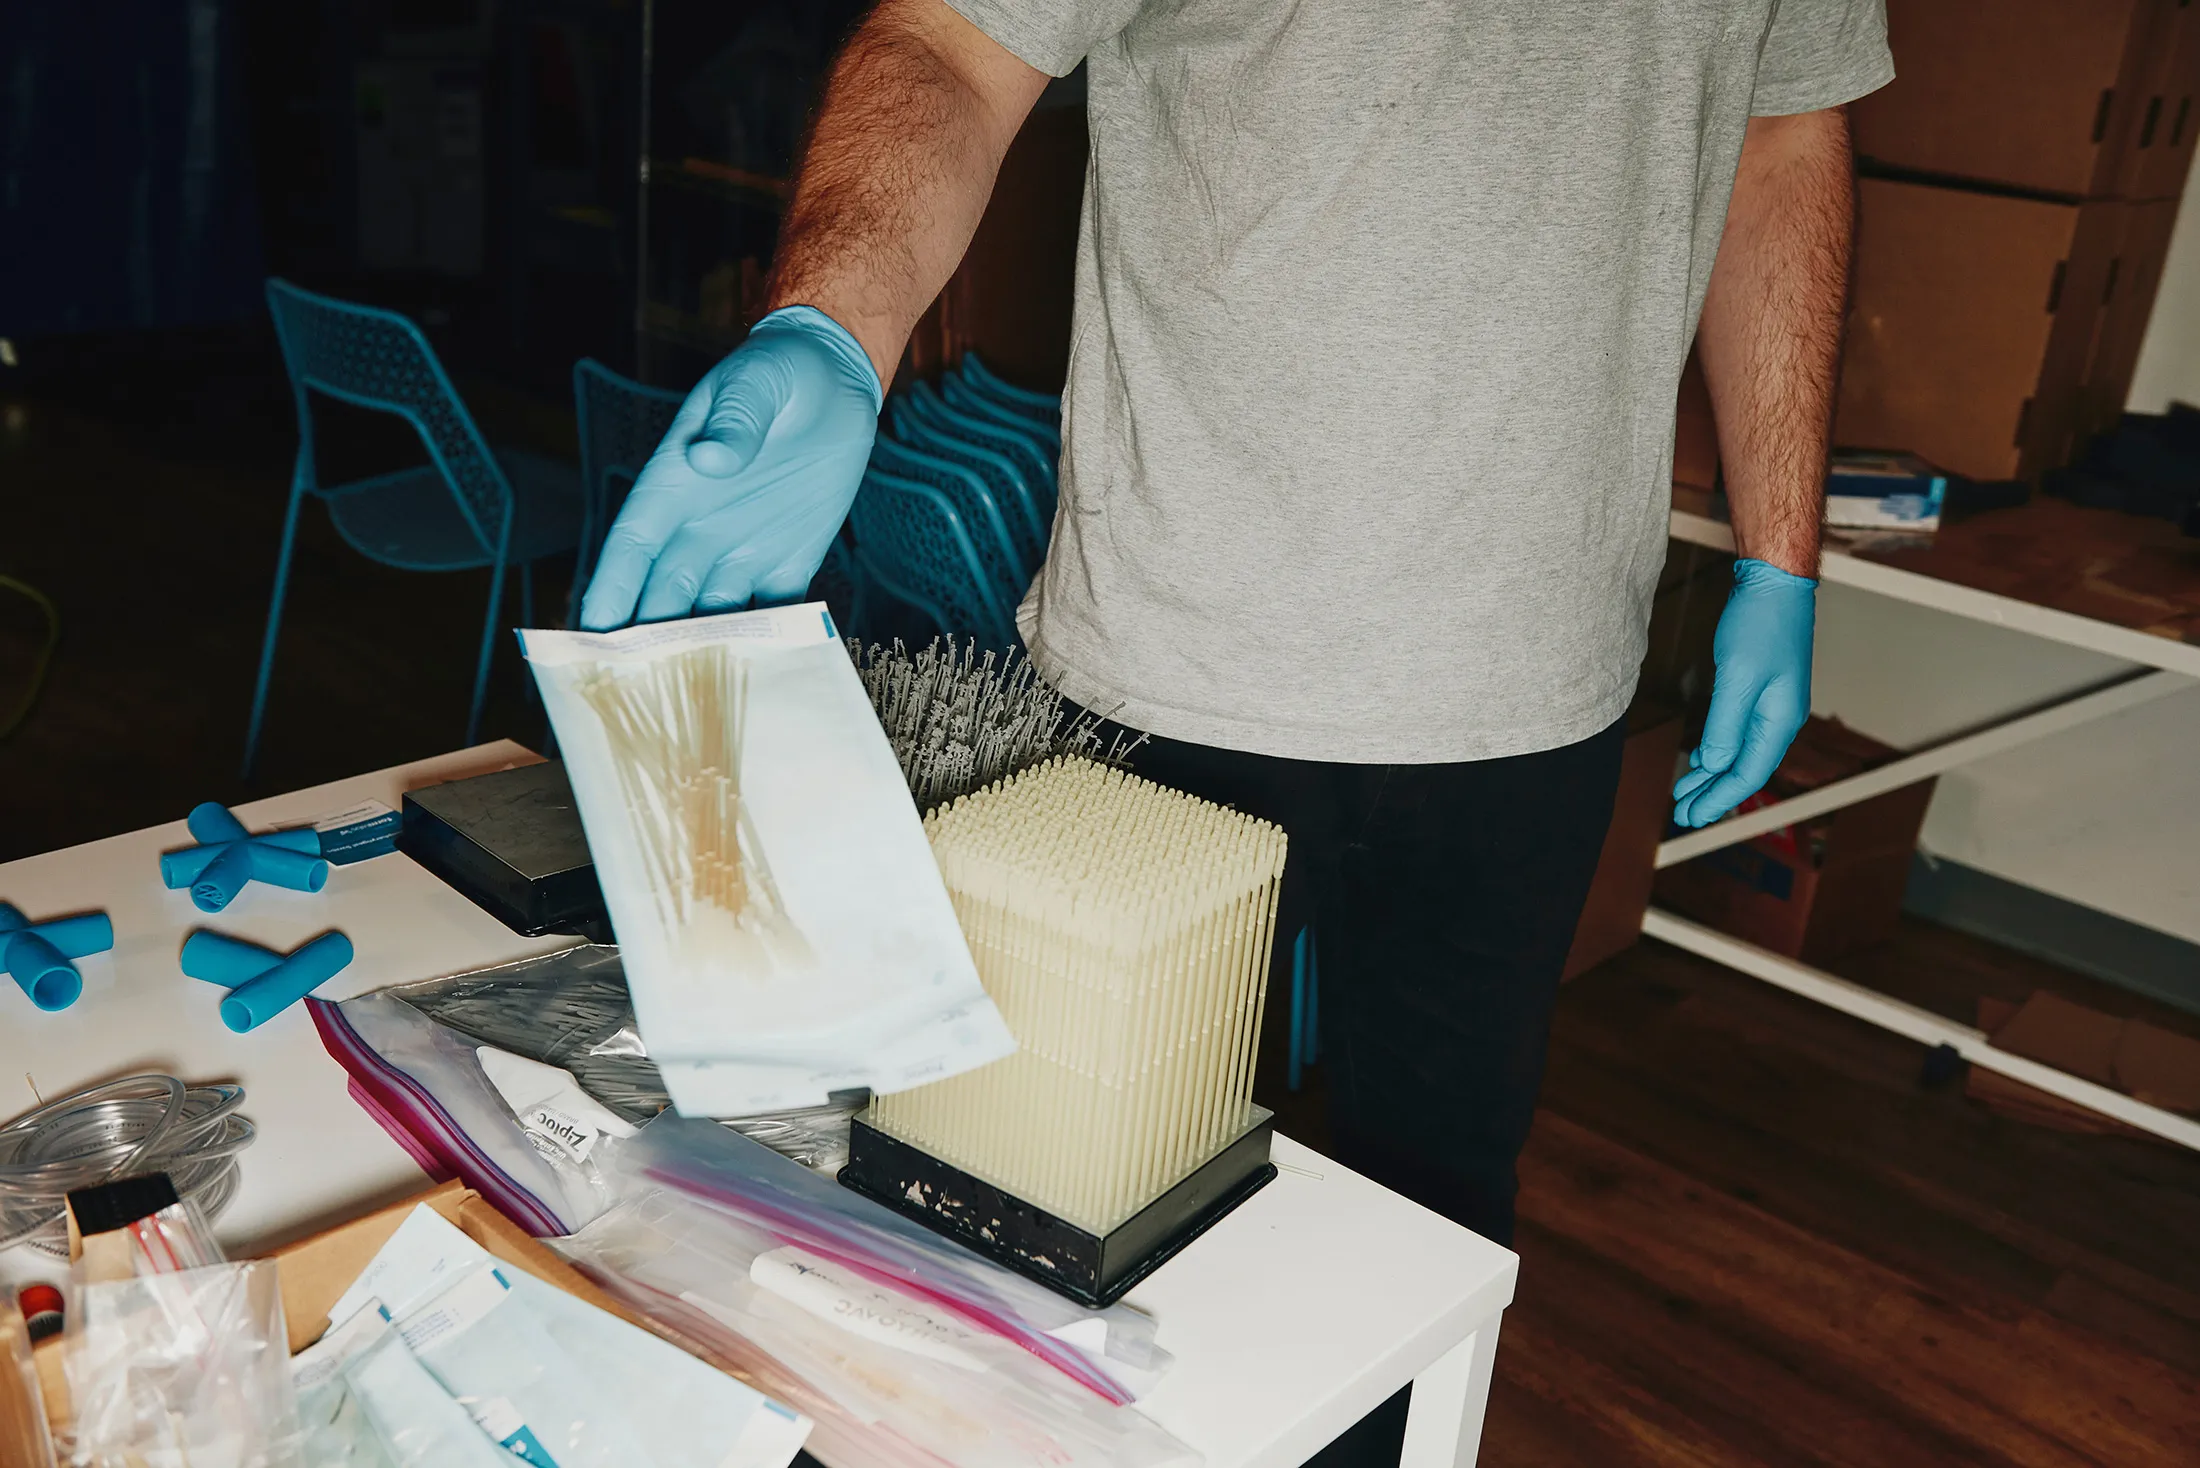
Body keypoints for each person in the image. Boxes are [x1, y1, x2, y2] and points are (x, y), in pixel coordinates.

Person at [582, 1, 1891, 1251]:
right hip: (1168, 662)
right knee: (1067, 1192)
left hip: (1538, 681)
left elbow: (1783, 134)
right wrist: (836, 318)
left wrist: (1783, 552)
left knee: (1434, 1211)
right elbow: (955, 41)